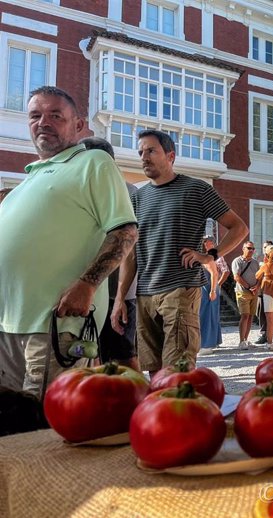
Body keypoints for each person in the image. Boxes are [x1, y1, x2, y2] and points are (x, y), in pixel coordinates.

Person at [0, 86, 138, 397]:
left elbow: (125, 231)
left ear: (78, 125)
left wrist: (88, 284)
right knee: (10, 428)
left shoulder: (93, 163)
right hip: (6, 324)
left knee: (48, 424)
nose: (43, 122)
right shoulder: (28, 179)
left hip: (56, 324)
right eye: (35, 115)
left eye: (55, 116)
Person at [111, 129, 247, 376]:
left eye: (151, 150)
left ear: (170, 155)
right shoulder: (138, 198)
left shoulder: (196, 189)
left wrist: (211, 255)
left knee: (177, 371)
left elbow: (239, 228)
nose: (144, 157)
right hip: (145, 294)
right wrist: (120, 299)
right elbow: (130, 255)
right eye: (141, 152)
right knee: (153, 371)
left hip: (181, 289)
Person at [79, 136, 140, 371]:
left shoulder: (129, 192)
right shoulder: (84, 189)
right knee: (89, 352)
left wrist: (122, 297)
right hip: (91, 289)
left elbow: (131, 246)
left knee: (122, 355)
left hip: (118, 291)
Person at [198, 236, 229, 355]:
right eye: (205, 242)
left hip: (210, 289)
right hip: (205, 288)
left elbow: (217, 273)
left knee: (208, 315)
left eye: (209, 242)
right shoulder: (203, 256)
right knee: (208, 315)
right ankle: (212, 341)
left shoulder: (211, 257)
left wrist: (214, 289)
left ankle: (207, 344)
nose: (207, 244)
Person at [231, 241, 260, 350]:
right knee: (245, 315)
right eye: (249, 248)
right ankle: (241, 341)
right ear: (243, 249)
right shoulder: (237, 261)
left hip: (254, 292)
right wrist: (248, 287)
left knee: (251, 316)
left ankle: (246, 340)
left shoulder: (255, 262)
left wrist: (256, 287)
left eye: (253, 248)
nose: (251, 250)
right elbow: (236, 277)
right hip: (243, 292)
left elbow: (259, 277)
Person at [254, 240, 273, 345]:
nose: (266, 248)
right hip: (261, 289)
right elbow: (257, 275)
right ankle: (263, 334)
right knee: (261, 312)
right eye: (264, 247)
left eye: (268, 247)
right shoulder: (259, 258)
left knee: (272, 313)